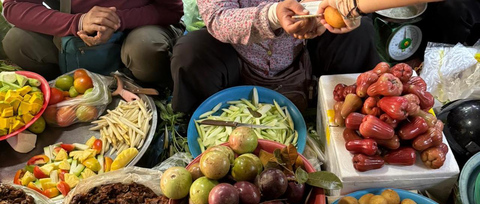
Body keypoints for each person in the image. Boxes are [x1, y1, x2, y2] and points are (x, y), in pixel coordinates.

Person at [170, 0, 443, 114]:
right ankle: (202, 120)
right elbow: (219, 18)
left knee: (358, 36)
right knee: (191, 51)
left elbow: (328, 4)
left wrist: (339, 12)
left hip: (302, 49)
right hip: (236, 56)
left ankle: (351, 112)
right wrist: (273, 15)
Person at [2, 0, 184, 87]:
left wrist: (114, 20)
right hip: (76, 31)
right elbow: (14, 7)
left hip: (137, 28)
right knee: (17, 41)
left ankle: (144, 87)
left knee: (145, 49)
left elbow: (172, 11)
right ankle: (66, 86)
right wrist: (77, 23)